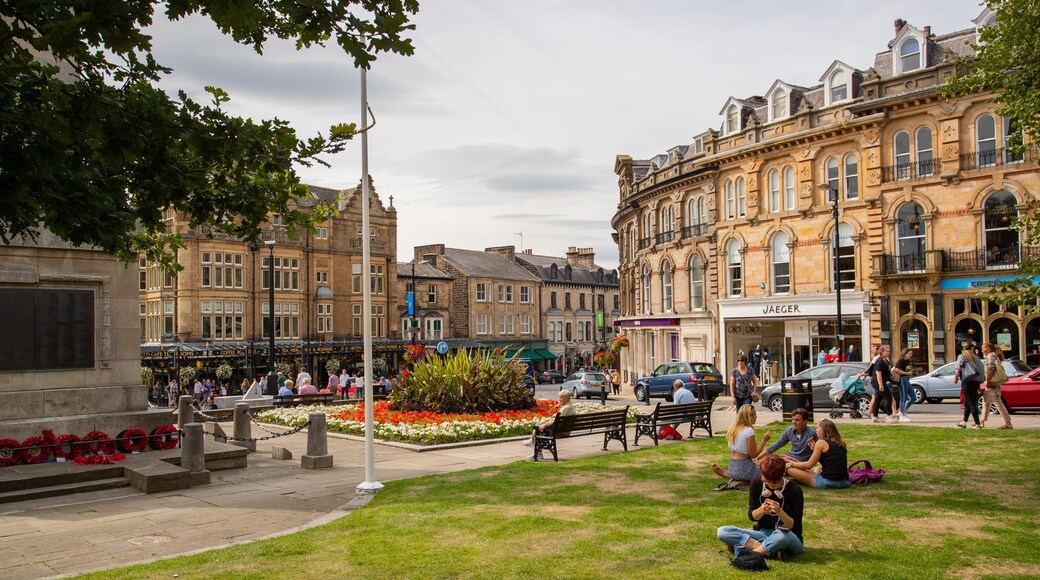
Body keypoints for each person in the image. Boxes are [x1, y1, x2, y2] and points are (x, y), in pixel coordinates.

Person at [717, 454, 804, 559]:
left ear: (783, 473)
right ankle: (772, 551)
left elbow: (793, 525)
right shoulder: (756, 482)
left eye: (775, 482)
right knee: (723, 532)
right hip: (764, 533)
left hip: (788, 536)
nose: (771, 485)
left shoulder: (795, 490)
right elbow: (752, 516)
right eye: (767, 481)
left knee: (782, 537)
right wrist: (762, 510)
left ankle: (746, 554)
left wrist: (780, 512)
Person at [711, 405, 771, 485]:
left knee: (759, 463)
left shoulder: (733, 428)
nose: (756, 417)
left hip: (733, 466)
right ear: (748, 416)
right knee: (771, 470)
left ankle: (730, 474)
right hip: (745, 469)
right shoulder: (749, 431)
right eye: (754, 415)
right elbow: (754, 455)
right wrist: (763, 441)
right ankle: (740, 477)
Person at [784, 418, 850, 489]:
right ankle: (801, 480)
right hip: (844, 482)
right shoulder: (840, 443)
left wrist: (790, 464)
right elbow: (829, 462)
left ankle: (800, 480)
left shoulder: (821, 442)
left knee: (790, 469)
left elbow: (809, 465)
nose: (816, 430)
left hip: (828, 482)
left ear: (824, 430)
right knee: (818, 468)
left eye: (818, 427)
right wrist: (814, 449)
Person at [523, 389, 576, 459]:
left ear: (566, 398)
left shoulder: (567, 408)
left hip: (559, 432)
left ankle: (534, 446)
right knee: (539, 425)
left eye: (561, 398)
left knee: (538, 428)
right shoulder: (569, 406)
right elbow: (558, 419)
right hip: (562, 429)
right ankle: (533, 445)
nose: (559, 399)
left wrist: (545, 425)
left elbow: (555, 422)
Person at [980, 342, 1013, 429]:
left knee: (997, 403)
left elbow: (991, 368)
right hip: (993, 383)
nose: (982, 350)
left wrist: (988, 380)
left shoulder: (990, 355)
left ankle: (1008, 423)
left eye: (983, 348)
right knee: (986, 402)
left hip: (991, 383)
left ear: (989, 348)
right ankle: (981, 422)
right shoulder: (993, 355)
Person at [954, 341, 984, 429]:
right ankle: (964, 421)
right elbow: (981, 371)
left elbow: (957, 367)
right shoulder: (976, 358)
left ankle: (977, 424)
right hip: (976, 382)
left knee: (971, 403)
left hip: (967, 381)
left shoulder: (962, 356)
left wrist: (956, 377)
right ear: (972, 348)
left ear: (964, 348)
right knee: (967, 402)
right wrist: (979, 384)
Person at [868, 345, 895, 423]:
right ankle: (889, 416)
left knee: (878, 399)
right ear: (882, 352)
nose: (888, 353)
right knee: (888, 397)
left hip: (881, 382)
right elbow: (878, 373)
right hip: (877, 382)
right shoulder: (879, 361)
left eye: (889, 351)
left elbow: (887, 371)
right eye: (887, 351)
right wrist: (881, 384)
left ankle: (875, 417)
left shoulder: (886, 360)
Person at [891, 348, 915, 422]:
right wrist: (907, 373)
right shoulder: (901, 360)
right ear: (905, 353)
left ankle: (902, 410)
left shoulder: (907, 360)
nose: (911, 355)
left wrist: (909, 372)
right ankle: (902, 414)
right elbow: (897, 369)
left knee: (913, 397)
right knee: (903, 397)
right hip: (902, 379)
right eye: (909, 354)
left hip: (907, 379)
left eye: (911, 354)